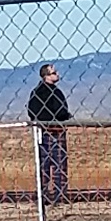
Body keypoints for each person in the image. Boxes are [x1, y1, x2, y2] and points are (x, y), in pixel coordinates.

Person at [27, 63, 71, 207]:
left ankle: (43, 195)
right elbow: (60, 111)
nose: (57, 74)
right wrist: (63, 116)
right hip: (55, 131)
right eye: (54, 73)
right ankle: (59, 196)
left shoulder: (35, 92)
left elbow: (32, 112)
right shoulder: (54, 93)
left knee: (44, 166)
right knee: (59, 165)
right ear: (46, 76)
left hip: (42, 131)